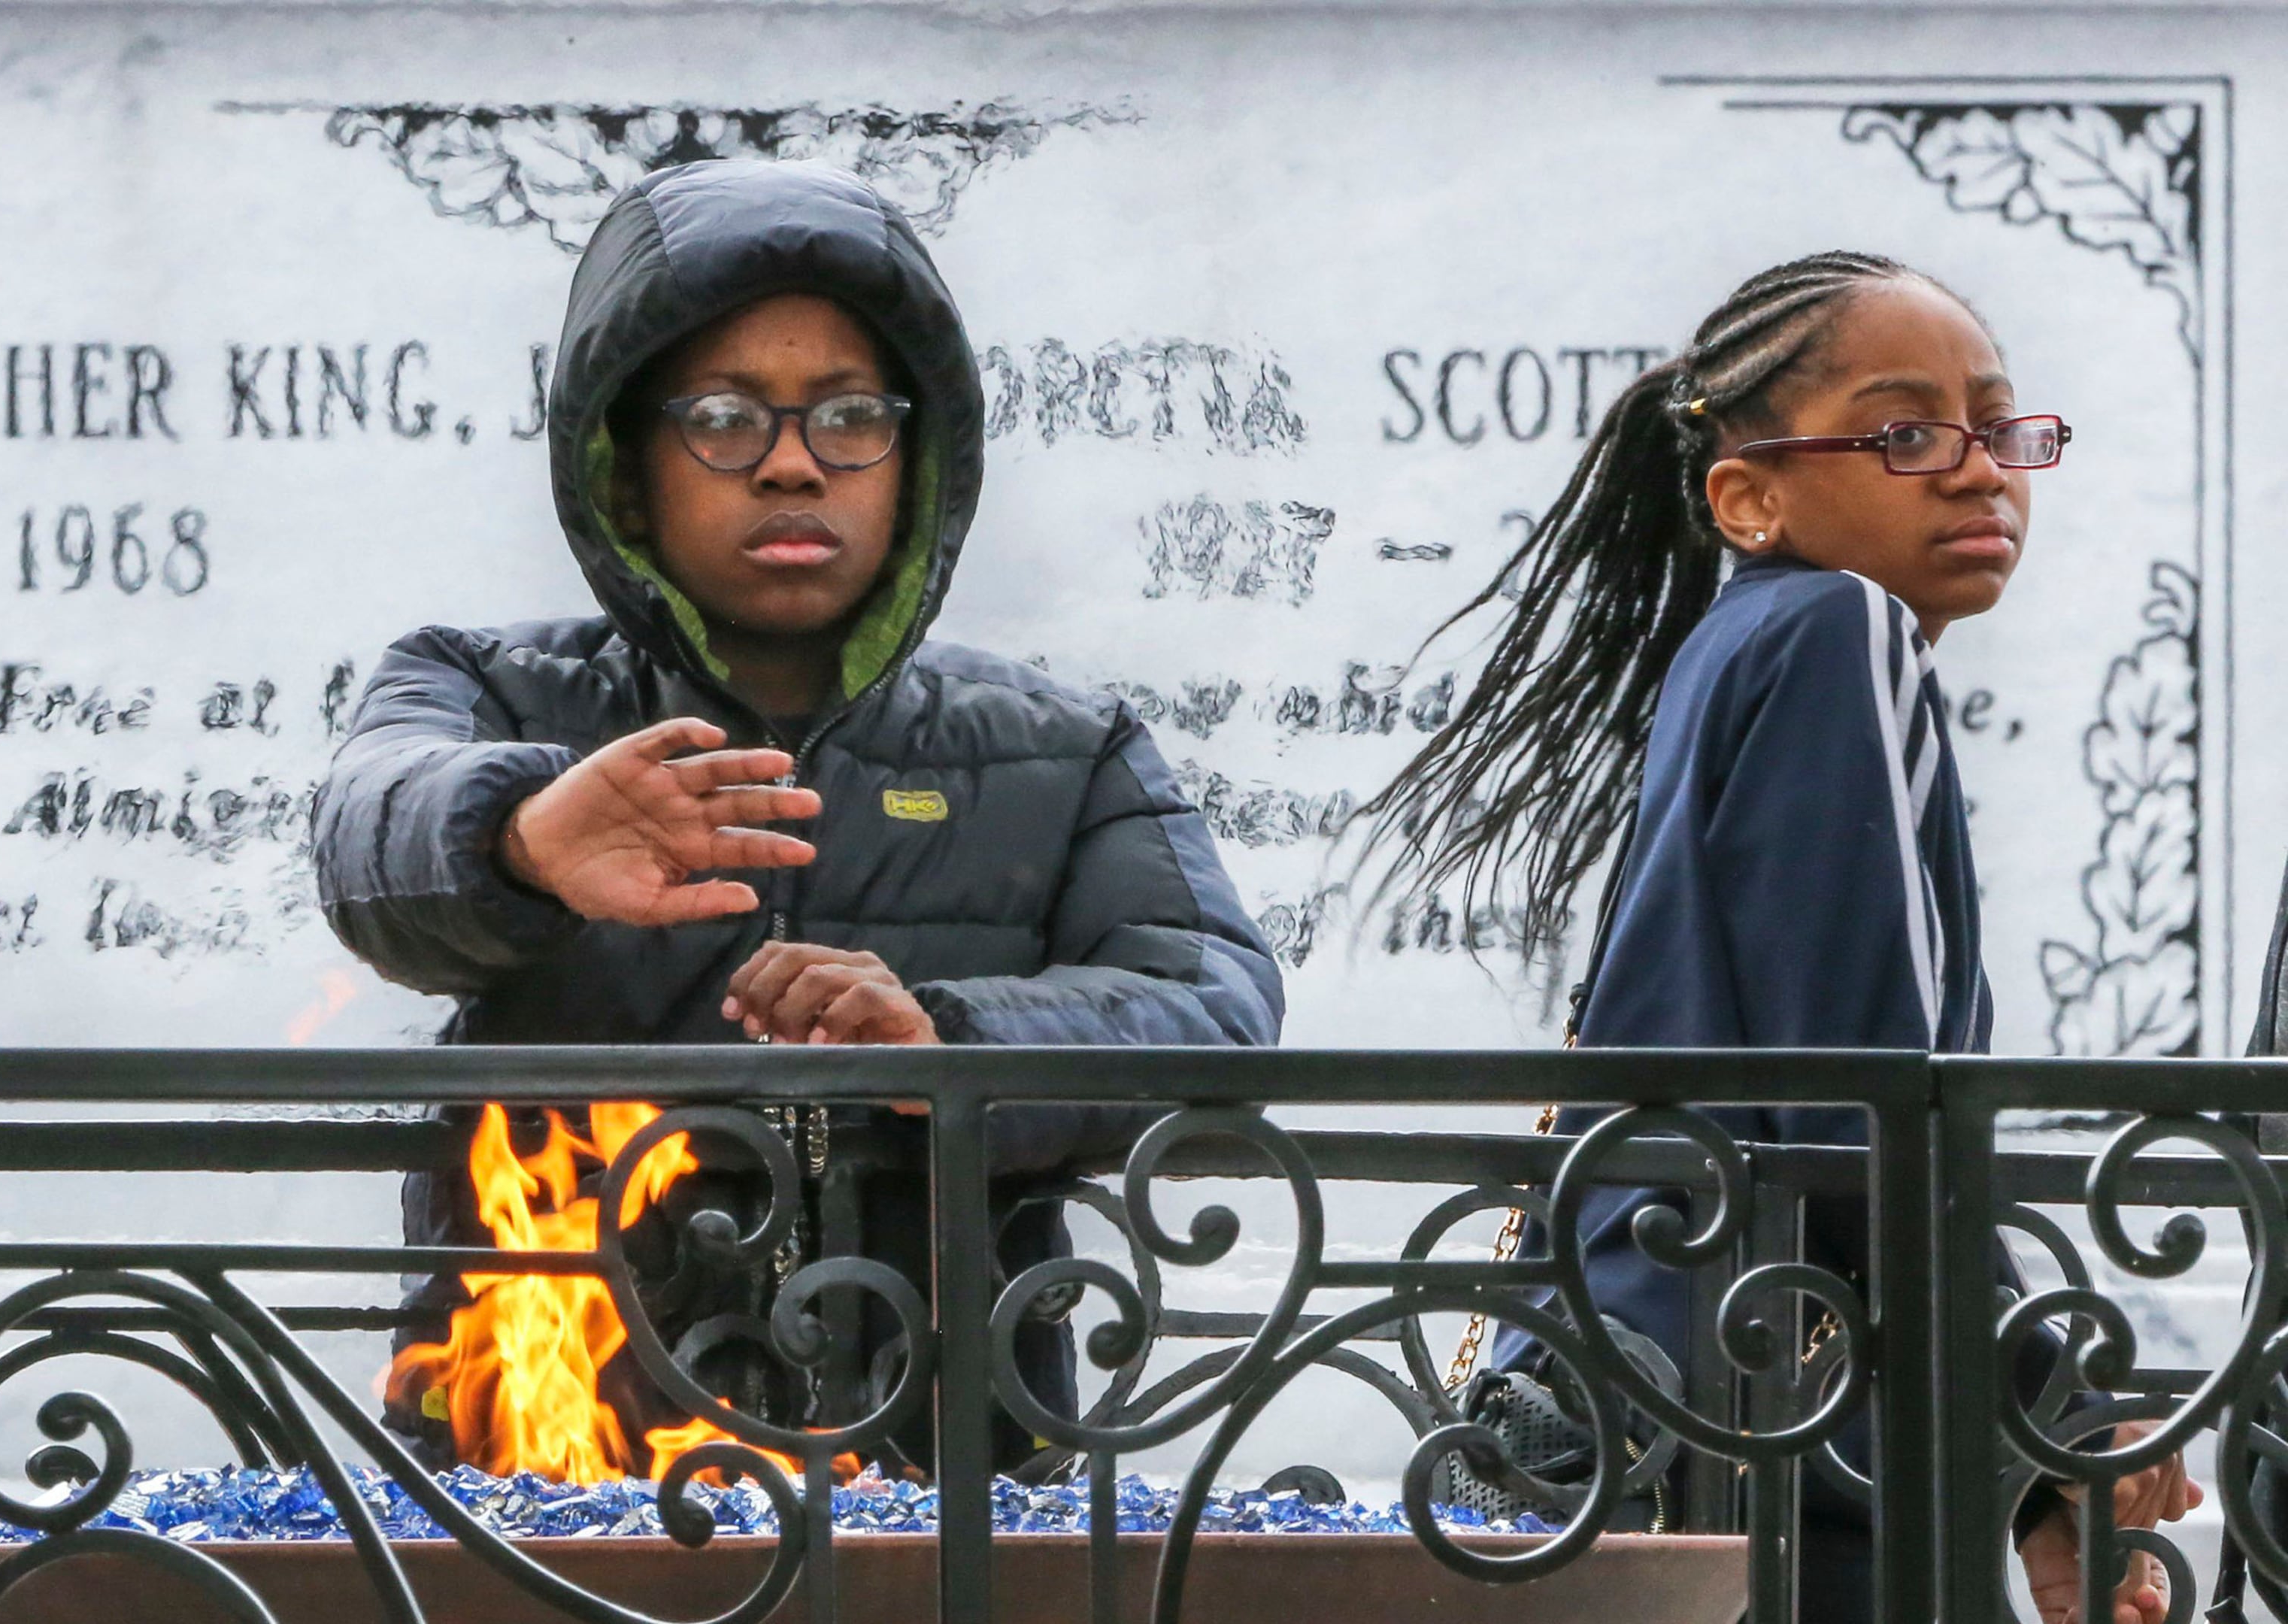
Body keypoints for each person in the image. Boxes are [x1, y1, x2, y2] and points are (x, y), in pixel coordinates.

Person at [314, 159, 1283, 1477]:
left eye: (847, 417)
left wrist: (944, 1039)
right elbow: (368, 834)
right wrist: (522, 840)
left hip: (945, 1485)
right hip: (545, 1459)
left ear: (916, 457)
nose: (788, 467)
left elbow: (1213, 1003)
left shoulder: (1068, 747)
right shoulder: (485, 686)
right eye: (721, 417)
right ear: (628, 464)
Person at [1358, 252, 2194, 1623]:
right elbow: (1874, 1092)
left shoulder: (1746, 643)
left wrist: (2034, 1482)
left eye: (2000, 426)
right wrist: (2058, 1418)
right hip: (1763, 1412)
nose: (1983, 471)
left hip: (1691, 1397)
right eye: (1908, 432)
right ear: (1751, 498)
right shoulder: (1837, 628)